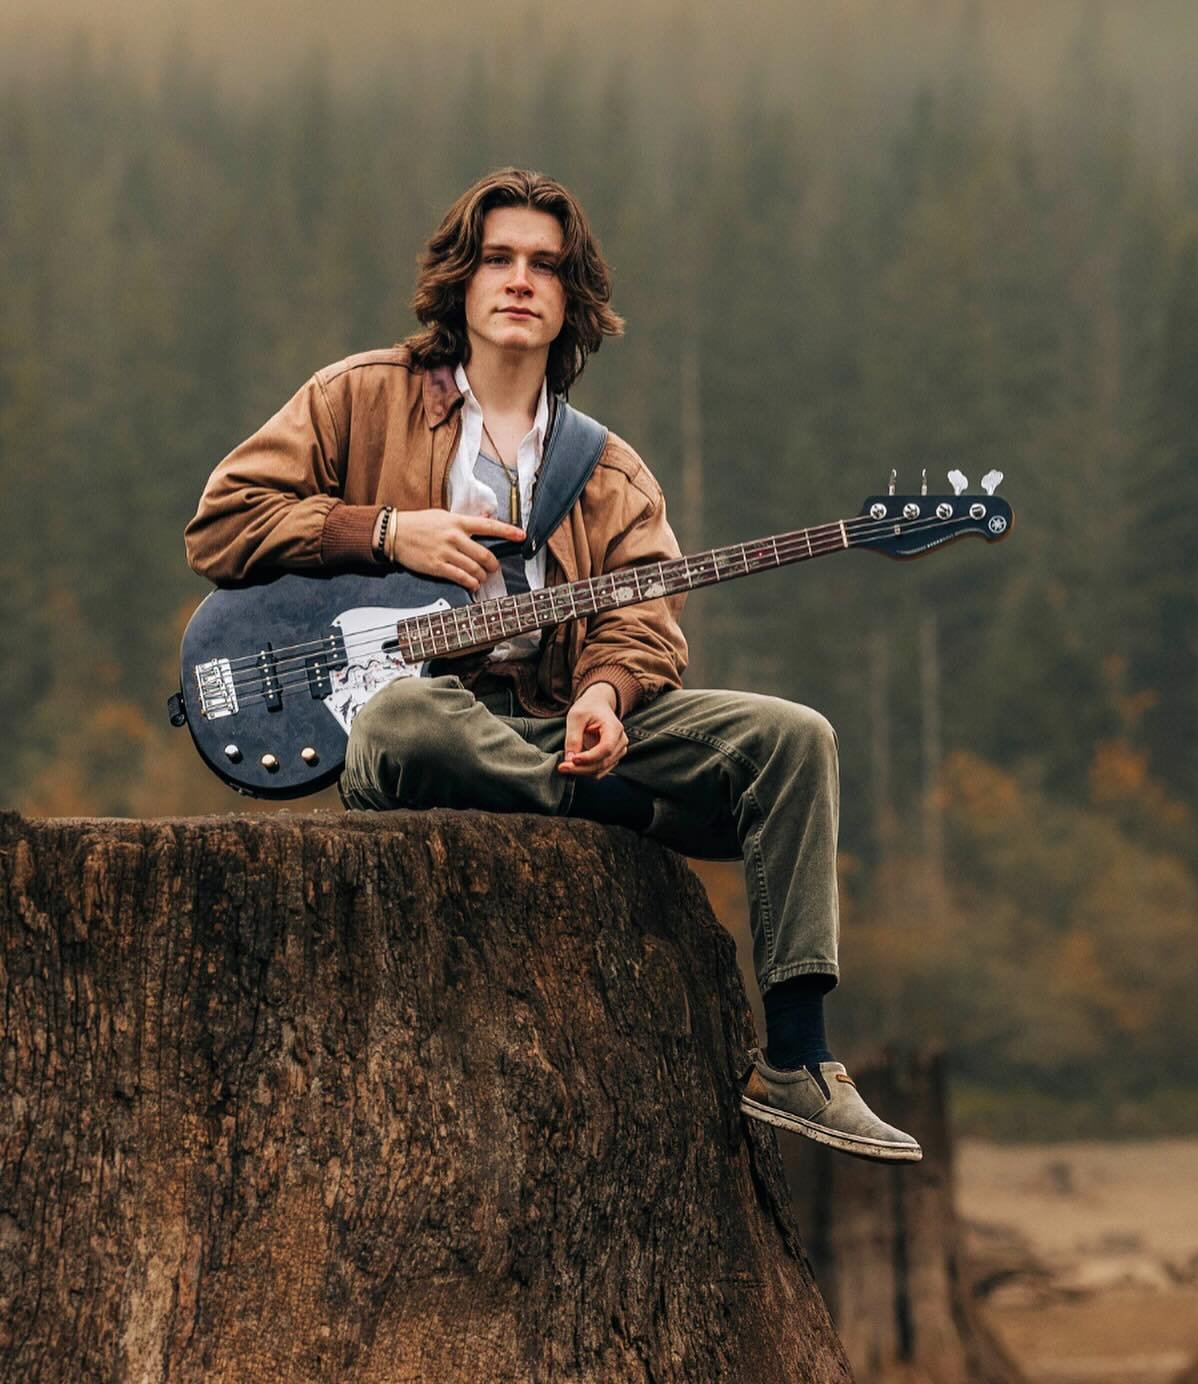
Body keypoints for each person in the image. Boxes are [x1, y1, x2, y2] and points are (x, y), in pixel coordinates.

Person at [184, 167, 919, 1164]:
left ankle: (794, 1057)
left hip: (550, 728)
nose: (519, 279)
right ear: (462, 282)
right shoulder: (358, 399)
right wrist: (389, 531)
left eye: (545, 264)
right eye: (498, 259)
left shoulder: (608, 471)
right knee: (412, 718)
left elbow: (645, 621)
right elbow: (223, 526)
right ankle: (620, 813)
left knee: (795, 739)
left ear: (572, 299)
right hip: (406, 727)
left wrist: (608, 701)